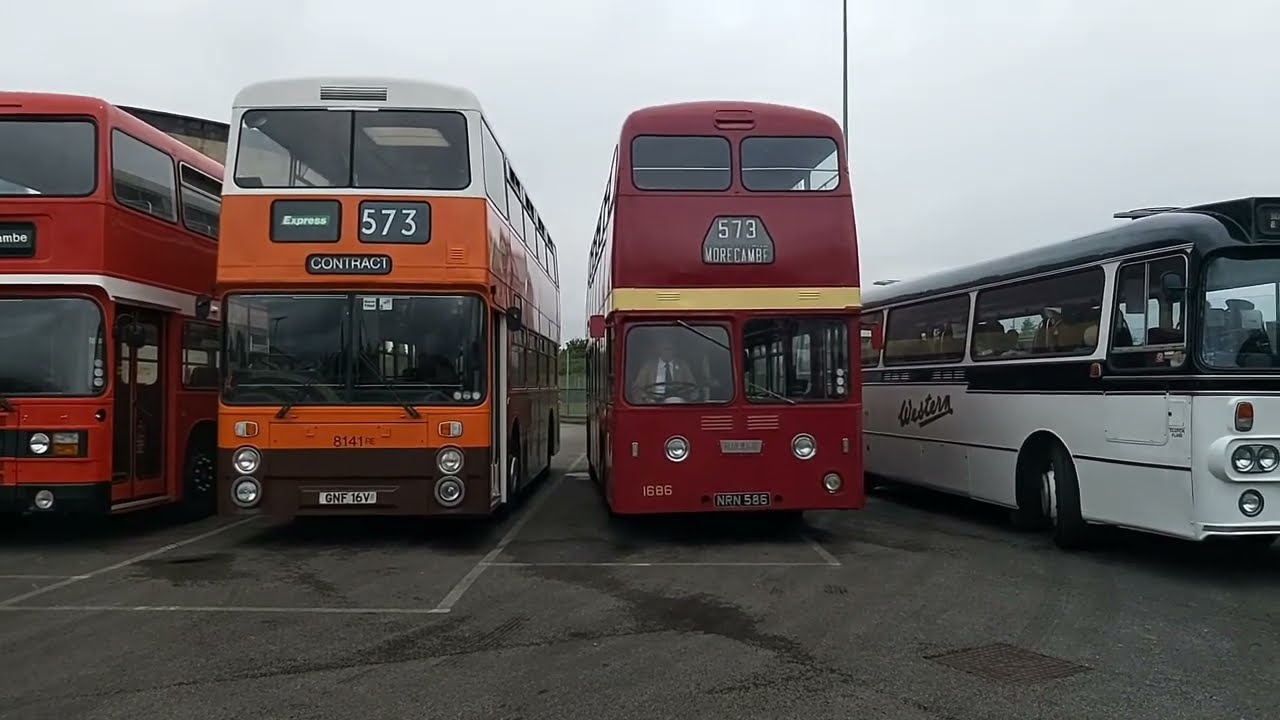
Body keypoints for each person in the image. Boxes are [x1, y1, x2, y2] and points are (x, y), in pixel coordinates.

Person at [628, 337, 700, 403]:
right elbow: (637, 388)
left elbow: (693, 387)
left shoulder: (683, 366)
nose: (667, 352)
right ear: (659, 350)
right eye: (665, 349)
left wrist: (687, 399)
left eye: (670, 349)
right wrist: (647, 399)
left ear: (674, 350)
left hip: (677, 402)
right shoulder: (648, 366)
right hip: (653, 403)